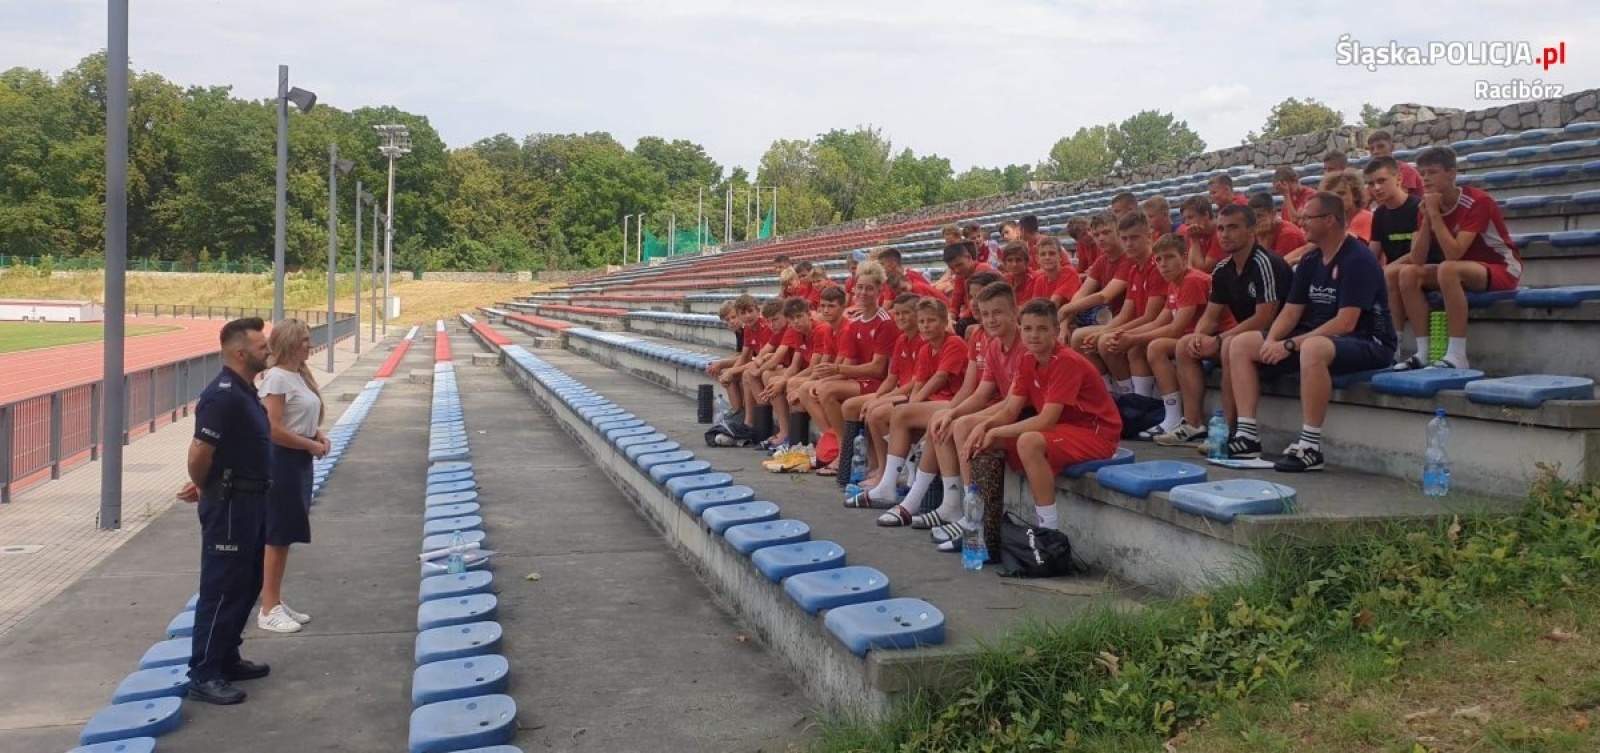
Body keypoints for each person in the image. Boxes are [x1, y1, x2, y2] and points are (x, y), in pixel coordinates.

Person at [1225, 192, 1396, 472]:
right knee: (1242, 343)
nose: (1300, 222)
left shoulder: (1358, 258)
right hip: (1317, 337)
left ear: (1329, 220)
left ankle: (1310, 446)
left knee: (1312, 347)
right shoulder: (1310, 260)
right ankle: (1247, 435)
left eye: (1307, 217)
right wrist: (1271, 341)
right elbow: (1291, 311)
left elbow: (1346, 323)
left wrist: (1289, 345)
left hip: (1369, 341)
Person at [957, 299, 1121, 531]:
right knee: (978, 438)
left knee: (1028, 441)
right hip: (1063, 430)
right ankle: (979, 519)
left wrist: (994, 430)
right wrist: (983, 428)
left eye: (1042, 329)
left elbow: (1046, 420)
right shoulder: (1027, 359)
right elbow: (1010, 410)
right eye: (1028, 328)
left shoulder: (1066, 361)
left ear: (1056, 331)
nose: (1034, 335)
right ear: (1020, 328)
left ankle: (1048, 530)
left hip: (1096, 433)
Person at [181, 317, 275, 705]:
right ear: (241, 353)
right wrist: (205, 485)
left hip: (252, 501)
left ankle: (226, 657)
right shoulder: (222, 395)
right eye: (261, 346)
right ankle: (204, 672)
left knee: (248, 582)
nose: (267, 350)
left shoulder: (245, 390)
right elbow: (200, 452)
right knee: (222, 588)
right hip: (231, 503)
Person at [1152, 204, 1291, 446]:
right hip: (1246, 337)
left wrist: (1217, 339)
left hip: (1278, 338)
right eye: (1221, 229)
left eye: (1233, 228)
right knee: (1186, 344)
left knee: (1229, 344)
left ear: (1251, 230)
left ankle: (1228, 429)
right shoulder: (1222, 269)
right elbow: (1210, 314)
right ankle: (1193, 423)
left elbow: (1265, 317)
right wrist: (1199, 336)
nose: (1225, 234)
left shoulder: (1265, 262)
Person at [1390, 145, 1523, 370]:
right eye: (1422, 173)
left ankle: (1457, 355)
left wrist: (1434, 214)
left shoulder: (1478, 201)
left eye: (1432, 172)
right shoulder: (1429, 204)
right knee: (1408, 273)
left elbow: (1454, 253)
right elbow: (1418, 259)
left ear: (1451, 173)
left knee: (1447, 268)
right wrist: (1427, 219)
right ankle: (1423, 353)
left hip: (1501, 267)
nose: (1425, 179)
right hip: (1463, 269)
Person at [256, 319, 328, 634]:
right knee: (277, 536)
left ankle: (276, 600)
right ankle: (268, 607)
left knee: (285, 536)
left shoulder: (298, 376)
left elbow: (298, 419)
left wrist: (318, 436)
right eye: (303, 340)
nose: (308, 345)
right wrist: (310, 444)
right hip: (281, 463)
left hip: (298, 462)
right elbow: (272, 429)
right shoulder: (276, 379)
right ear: (288, 342)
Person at [869, 297, 970, 522]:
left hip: (954, 401)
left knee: (908, 413)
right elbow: (919, 383)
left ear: (945, 322)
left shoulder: (954, 343)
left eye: (931, 321)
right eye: (922, 321)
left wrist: (912, 408)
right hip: (934, 402)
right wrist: (912, 406)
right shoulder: (926, 349)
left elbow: (940, 378)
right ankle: (895, 479)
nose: (925, 325)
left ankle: (892, 484)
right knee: (897, 413)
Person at [1110, 236, 1211, 438]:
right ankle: (1141, 408)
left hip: (1207, 339)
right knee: (1138, 346)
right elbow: (1159, 322)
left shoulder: (1192, 280)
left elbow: (1175, 329)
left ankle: (1173, 417)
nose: (1163, 264)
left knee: (1155, 347)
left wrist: (1133, 338)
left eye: (1169, 257)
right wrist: (1124, 335)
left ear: (1184, 257)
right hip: (1187, 339)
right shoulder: (1174, 283)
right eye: (1159, 259)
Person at [812, 262, 897, 478]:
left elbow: (879, 369)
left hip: (882, 383)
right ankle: (851, 452)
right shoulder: (857, 323)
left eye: (869, 288)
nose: (863, 292)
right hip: (865, 380)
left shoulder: (885, 323)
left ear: (879, 291)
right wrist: (829, 375)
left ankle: (848, 452)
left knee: (829, 391)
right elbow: (849, 364)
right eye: (859, 287)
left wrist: (836, 370)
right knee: (823, 388)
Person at [1073, 212, 1168, 396]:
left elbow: (1150, 317)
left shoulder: (1156, 267)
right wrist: (1103, 331)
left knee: (1109, 342)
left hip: (1155, 326)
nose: (1129, 243)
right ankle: (1110, 393)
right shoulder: (1134, 268)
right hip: (1139, 323)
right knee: (1084, 337)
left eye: (1134, 238)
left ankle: (1132, 397)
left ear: (1148, 236)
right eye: (1125, 238)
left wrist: (1108, 333)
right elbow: (1126, 313)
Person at [1057, 212, 1129, 332]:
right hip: (1112, 315)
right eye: (1096, 235)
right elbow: (1081, 293)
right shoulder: (1102, 260)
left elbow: (1104, 296)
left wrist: (1066, 309)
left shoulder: (1128, 259)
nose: (1100, 238)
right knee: (1068, 327)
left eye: (1106, 232)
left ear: (1118, 232)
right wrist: (1064, 324)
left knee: (1079, 335)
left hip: (1125, 319)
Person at [943, 241, 998, 337]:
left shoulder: (982, 269)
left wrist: (961, 317)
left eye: (959, 265)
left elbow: (980, 302)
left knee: (961, 328)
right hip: (974, 313)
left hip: (989, 313)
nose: (956, 270)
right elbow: (955, 302)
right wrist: (950, 317)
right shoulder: (960, 275)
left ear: (968, 257)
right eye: (952, 268)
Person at [1366, 130, 1425, 198]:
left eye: (1380, 146)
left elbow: (1398, 203)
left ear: (1392, 147)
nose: (1375, 151)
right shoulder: (1374, 175)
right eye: (1371, 149)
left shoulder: (1404, 170)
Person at [1026, 236, 1082, 306]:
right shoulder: (1040, 280)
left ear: (1060, 256)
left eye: (1052, 253)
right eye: (1043, 254)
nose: (1047, 257)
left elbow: (1055, 302)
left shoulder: (1069, 273)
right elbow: (1035, 306)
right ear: (1037, 259)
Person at [1248, 192, 1307, 257]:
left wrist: (1261, 239)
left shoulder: (1288, 234)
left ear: (1273, 214)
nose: (1256, 221)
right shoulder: (1255, 232)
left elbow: (1277, 265)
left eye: (1260, 216)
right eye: (1252, 217)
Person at [1323, 170, 1373, 244]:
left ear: (1355, 195)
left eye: (1341, 193)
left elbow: (1348, 247)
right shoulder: (1336, 221)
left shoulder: (1363, 217)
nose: (1336, 198)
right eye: (1331, 195)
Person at [1180, 195, 1224, 271]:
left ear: (1206, 215)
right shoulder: (1197, 231)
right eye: (1184, 219)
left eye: (1190, 217)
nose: (1186, 223)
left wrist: (1194, 240)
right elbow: (1190, 266)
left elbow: (1204, 270)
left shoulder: (1220, 232)